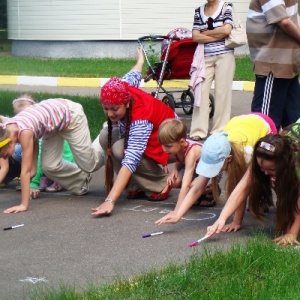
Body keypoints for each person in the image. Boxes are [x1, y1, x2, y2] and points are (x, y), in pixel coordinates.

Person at [91, 48, 176, 217]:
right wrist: (140, 62)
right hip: (149, 138)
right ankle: (134, 185)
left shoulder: (141, 118)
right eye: (105, 109)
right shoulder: (123, 87)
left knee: (118, 148)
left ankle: (159, 184)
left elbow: (131, 158)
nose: (109, 114)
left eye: (114, 109)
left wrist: (110, 200)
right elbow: (134, 74)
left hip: (167, 142)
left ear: (127, 103)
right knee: (105, 136)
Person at [155, 112, 277, 226]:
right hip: (239, 123)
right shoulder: (214, 147)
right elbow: (197, 189)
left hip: (263, 125)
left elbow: (241, 190)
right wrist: (177, 215)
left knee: (262, 173)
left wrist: (236, 222)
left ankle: (263, 200)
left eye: (216, 167)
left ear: (228, 159)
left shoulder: (245, 154)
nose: (213, 170)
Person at [0, 93, 105, 213]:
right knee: (49, 166)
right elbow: (34, 141)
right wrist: (34, 169)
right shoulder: (6, 129)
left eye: (5, 155)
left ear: (9, 142)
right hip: (53, 126)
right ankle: (82, 178)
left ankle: (105, 133)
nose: (5, 157)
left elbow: (25, 171)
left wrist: (23, 205)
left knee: (90, 164)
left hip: (70, 114)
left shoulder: (23, 132)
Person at [207, 120, 300, 245]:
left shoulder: (295, 163)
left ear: (284, 163)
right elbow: (242, 188)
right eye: (262, 168)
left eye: (271, 169)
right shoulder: (265, 154)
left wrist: (292, 233)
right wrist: (222, 218)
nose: (265, 173)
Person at [246, 0, 300, 131]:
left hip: (273, 64)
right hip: (284, 63)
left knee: (265, 123)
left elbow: (284, 22)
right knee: (294, 122)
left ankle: (266, 150)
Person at [11, 93, 75, 196]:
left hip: (65, 160)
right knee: (18, 151)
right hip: (50, 159)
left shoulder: (39, 130)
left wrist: (33, 183)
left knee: (41, 159)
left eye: (28, 115)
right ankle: (44, 177)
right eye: (21, 116)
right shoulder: (25, 128)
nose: (25, 119)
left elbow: (39, 155)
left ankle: (59, 178)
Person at [189, 0, 235, 141]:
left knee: (222, 93)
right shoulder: (199, 11)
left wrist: (206, 33)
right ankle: (198, 130)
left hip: (224, 55)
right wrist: (217, 33)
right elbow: (195, 36)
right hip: (204, 57)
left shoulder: (226, 7)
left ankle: (219, 130)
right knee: (200, 93)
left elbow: (227, 30)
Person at [157, 118, 214, 209]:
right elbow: (181, 160)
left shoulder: (192, 152)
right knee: (174, 181)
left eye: (168, 146)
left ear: (182, 142)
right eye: (162, 145)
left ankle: (212, 191)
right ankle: (195, 193)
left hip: (210, 172)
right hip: (196, 170)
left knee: (191, 186)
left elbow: (186, 183)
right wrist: (174, 170)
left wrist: (178, 209)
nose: (164, 149)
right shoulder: (179, 147)